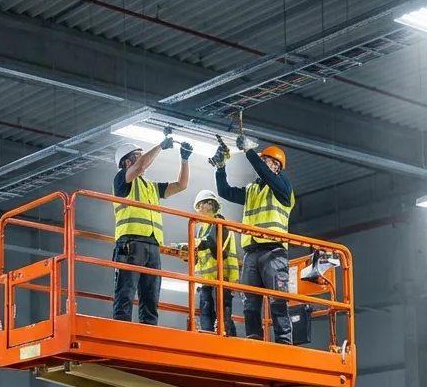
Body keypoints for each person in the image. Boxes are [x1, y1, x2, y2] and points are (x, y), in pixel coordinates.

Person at [212, 136, 295, 344]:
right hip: (251, 252)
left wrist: (249, 152)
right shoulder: (252, 190)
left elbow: (264, 173)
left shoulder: (283, 187)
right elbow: (224, 191)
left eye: (267, 161)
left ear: (276, 166)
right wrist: (220, 167)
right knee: (250, 302)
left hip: (273, 252)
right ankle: (254, 339)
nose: (263, 164)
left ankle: (284, 342)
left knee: (277, 299)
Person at [112, 134, 191, 324]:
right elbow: (139, 168)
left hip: (152, 245)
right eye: (140, 155)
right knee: (126, 292)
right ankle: (121, 331)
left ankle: (148, 331)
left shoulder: (151, 187)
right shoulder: (121, 180)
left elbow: (181, 185)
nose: (145, 159)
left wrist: (185, 159)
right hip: (130, 243)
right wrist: (160, 146)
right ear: (127, 162)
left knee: (151, 297)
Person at [171, 190, 239, 336]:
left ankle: (229, 343)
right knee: (207, 313)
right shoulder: (202, 229)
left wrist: (188, 245)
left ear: (210, 205)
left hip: (222, 279)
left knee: (222, 316)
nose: (199, 209)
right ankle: (210, 340)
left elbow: (210, 242)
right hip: (206, 281)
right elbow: (200, 250)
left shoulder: (220, 222)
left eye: (201, 205)